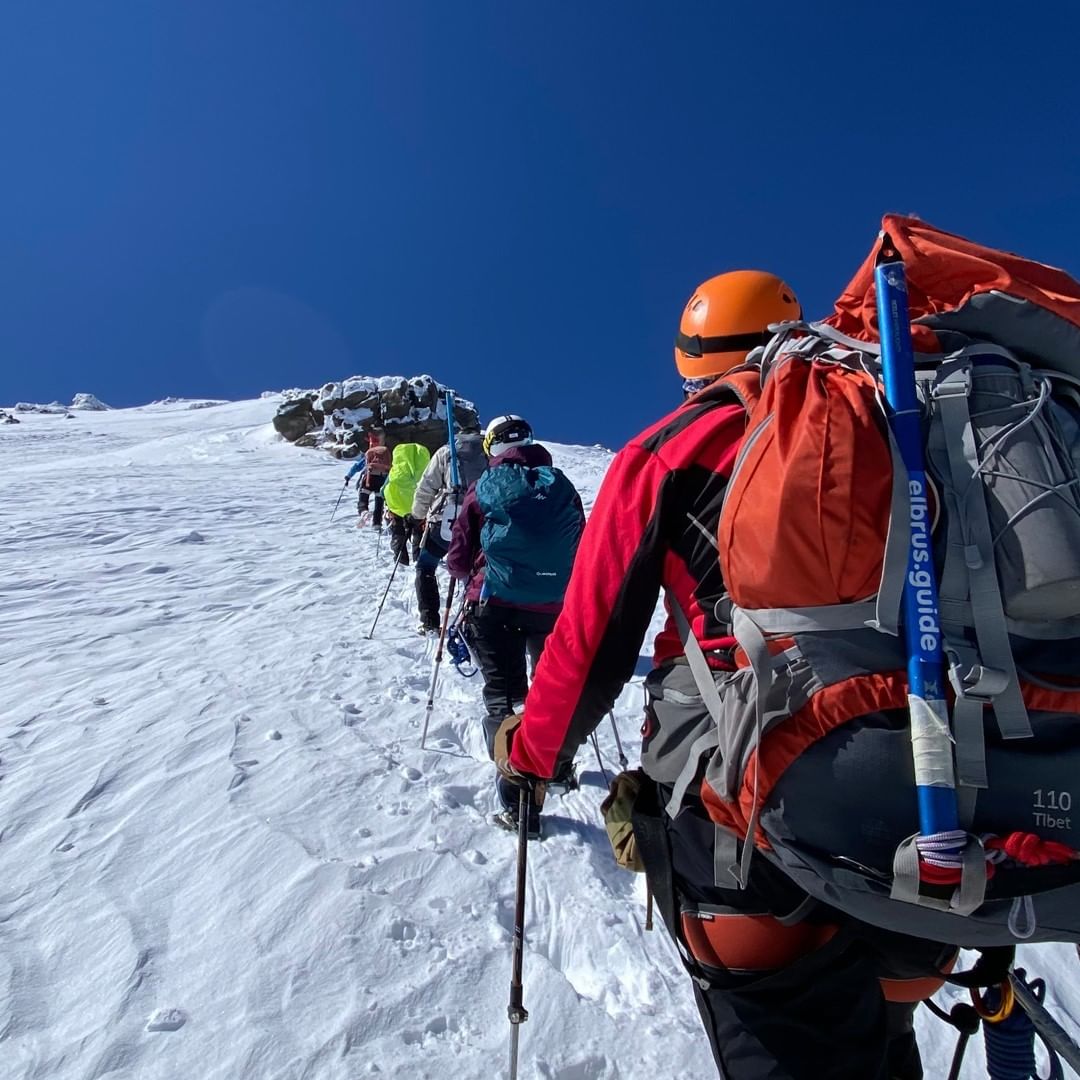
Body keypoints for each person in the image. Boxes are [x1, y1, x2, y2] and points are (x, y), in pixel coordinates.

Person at [493, 271, 952, 1079]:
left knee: (796, 1031)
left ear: (693, 365)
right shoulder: (899, 418)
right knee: (883, 1027)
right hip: (939, 797)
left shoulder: (672, 446)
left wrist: (530, 755)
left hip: (750, 809)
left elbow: (591, 638)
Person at [447, 415, 585, 836]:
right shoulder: (558, 483)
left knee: (505, 699)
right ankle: (558, 770)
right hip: (552, 607)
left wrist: (465, 574)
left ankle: (519, 802)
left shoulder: (484, 486)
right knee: (550, 695)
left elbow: (458, 553)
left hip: (495, 604)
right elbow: (583, 538)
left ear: (492, 447)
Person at [411, 425, 488, 633]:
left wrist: (417, 514)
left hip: (444, 521)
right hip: (476, 523)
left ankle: (429, 621)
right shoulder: (489, 453)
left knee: (425, 566)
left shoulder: (448, 451)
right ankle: (472, 620)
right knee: (473, 572)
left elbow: (426, 486)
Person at [381, 442, 430, 568]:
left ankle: (400, 558)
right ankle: (418, 557)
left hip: (397, 506)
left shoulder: (397, 469)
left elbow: (383, 490)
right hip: (418, 507)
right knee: (418, 531)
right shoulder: (424, 469)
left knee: (398, 531)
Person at [345, 429, 391, 530]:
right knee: (379, 503)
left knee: (363, 498)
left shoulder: (369, 453)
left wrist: (348, 476)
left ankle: (364, 511)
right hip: (382, 480)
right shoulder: (386, 452)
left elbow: (358, 466)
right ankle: (377, 524)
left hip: (369, 479)